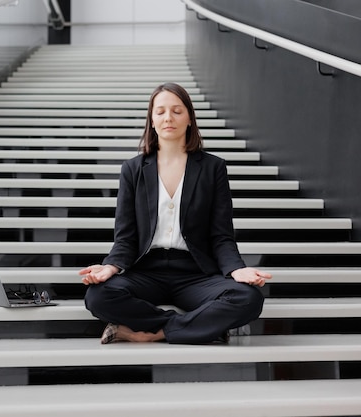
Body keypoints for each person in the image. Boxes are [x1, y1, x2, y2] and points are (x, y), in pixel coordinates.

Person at [79, 82, 271, 345]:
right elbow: (126, 236)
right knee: (98, 296)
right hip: (146, 271)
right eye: (160, 112)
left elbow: (221, 235)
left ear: (190, 118)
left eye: (177, 111)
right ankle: (201, 326)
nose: (168, 117)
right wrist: (111, 266)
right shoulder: (133, 170)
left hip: (196, 273)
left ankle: (153, 333)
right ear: (152, 120)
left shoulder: (212, 168)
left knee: (248, 298)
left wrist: (236, 270)